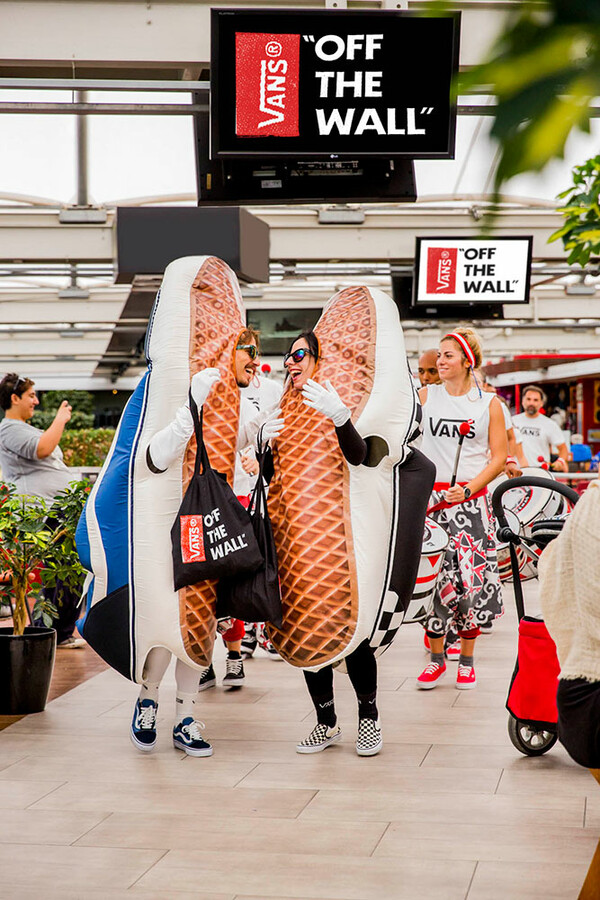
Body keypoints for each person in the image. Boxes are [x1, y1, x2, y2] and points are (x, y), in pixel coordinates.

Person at [276, 331, 434, 756]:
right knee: (306, 630)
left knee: (356, 631)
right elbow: (273, 475)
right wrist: (261, 447)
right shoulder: (282, 407)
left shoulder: (336, 396)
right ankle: (326, 722)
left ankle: (369, 718)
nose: (291, 363)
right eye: (287, 357)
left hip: (346, 535)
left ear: (316, 358)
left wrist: (340, 415)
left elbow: (360, 454)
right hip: (296, 537)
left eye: (299, 354)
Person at [131, 336, 283, 756]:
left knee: (202, 624)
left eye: (257, 350)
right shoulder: (181, 391)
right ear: (223, 353)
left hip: (220, 528)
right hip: (176, 526)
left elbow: (247, 451)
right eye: (247, 349)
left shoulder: (245, 404)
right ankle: (148, 698)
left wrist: (264, 438)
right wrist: (190, 408)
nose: (256, 359)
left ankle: (185, 715)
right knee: (171, 618)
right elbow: (153, 457)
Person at [416, 329, 507, 691]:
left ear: (467, 361)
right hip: (430, 505)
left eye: (448, 355)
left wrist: (468, 488)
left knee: (470, 584)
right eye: (439, 355)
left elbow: (499, 458)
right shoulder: (424, 396)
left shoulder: (489, 404)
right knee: (432, 584)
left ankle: (466, 661)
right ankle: (437, 659)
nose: (440, 361)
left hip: (470, 505)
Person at [0, 373, 85, 648]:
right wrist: (60, 418)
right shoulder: (9, 429)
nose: (35, 401)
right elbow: (43, 448)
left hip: (57, 508)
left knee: (69, 570)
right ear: (15, 398)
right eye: (31, 395)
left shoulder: (23, 427)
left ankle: (59, 631)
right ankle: (52, 631)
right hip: (44, 511)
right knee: (61, 572)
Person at [476, 369, 528, 477]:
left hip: (492, 472)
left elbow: (511, 438)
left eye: (477, 382)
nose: (474, 386)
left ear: (484, 385)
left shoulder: (497, 405)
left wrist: (507, 461)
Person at [512, 385, 568, 472]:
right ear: (523, 401)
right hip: (516, 471)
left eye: (535, 400)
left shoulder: (549, 424)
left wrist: (560, 461)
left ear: (541, 403)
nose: (531, 403)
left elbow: (563, 449)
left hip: (540, 472)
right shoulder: (512, 421)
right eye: (528, 399)